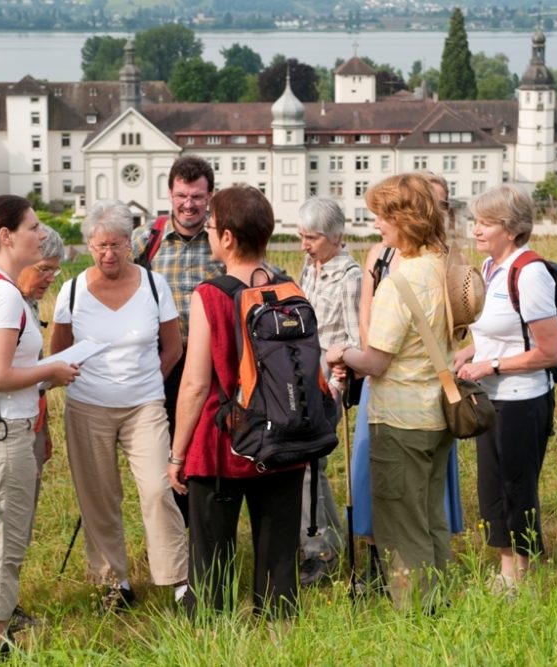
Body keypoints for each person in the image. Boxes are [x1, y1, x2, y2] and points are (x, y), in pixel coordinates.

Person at [0, 195, 79, 662]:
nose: (41, 233)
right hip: (2, 434)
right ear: (6, 237)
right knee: (2, 548)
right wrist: (54, 370)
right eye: (33, 225)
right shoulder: (4, 296)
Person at [167, 185, 303, 617]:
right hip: (283, 438)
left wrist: (176, 455)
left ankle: (211, 635)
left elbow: (193, 384)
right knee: (278, 552)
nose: (206, 233)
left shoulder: (210, 295)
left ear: (227, 238)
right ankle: (281, 637)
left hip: (222, 443)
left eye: (210, 226)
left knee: (211, 555)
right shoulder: (289, 288)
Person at [325, 173, 453, 610]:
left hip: (399, 419)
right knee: (431, 518)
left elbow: (376, 361)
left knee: (401, 526)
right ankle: (441, 605)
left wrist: (340, 351)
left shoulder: (399, 281)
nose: (376, 225)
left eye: (382, 216)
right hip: (437, 413)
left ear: (404, 220)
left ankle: (418, 617)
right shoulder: (444, 265)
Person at [51, 201, 188, 608]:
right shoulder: (72, 290)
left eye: (115, 244)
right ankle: (114, 584)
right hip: (87, 408)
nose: (107, 254)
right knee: (99, 496)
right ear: (89, 246)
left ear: (130, 243)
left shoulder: (153, 285)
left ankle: (178, 579)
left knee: (157, 488)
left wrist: (146, 382)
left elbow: (173, 347)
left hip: (144, 405)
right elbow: (59, 352)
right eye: (99, 246)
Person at [454, 184, 557, 595]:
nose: (477, 230)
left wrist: (492, 364)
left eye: (487, 223)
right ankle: (506, 568)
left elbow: (551, 351)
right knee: (492, 488)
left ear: (513, 229)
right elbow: (498, 333)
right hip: (490, 396)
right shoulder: (488, 269)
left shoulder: (529, 273)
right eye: (477, 221)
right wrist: (468, 354)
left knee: (518, 487)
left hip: (523, 399)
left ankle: (527, 572)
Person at [131, 155, 224, 524]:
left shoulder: (221, 240)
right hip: (163, 363)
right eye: (182, 195)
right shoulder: (145, 240)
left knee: (205, 447)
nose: (189, 204)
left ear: (210, 197)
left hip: (210, 365)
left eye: (198, 197)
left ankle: (207, 525)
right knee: (168, 449)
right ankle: (178, 530)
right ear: (170, 193)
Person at [294, 197, 361, 585]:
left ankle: (320, 550)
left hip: (326, 383)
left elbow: (353, 341)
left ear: (336, 237)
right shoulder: (311, 266)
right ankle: (326, 541)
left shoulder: (349, 277)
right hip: (302, 375)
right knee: (308, 467)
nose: (305, 244)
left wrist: (335, 388)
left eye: (312, 237)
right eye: (302, 235)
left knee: (310, 466)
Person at [8, 223, 64, 634]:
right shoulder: (6, 305)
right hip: (5, 432)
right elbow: (2, 375)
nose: (48, 279)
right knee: (6, 526)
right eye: (44, 268)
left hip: (31, 425)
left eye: (55, 272)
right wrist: (52, 372)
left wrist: (44, 431)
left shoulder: (27, 304)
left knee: (20, 521)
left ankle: (6, 606)